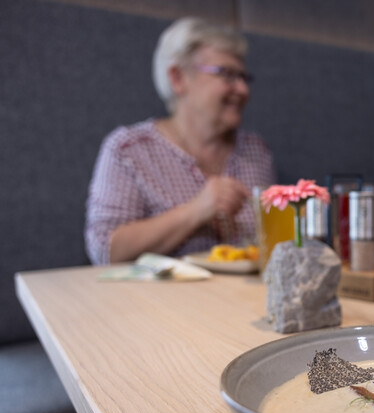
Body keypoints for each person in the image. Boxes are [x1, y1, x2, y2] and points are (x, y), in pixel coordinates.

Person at [85, 17, 275, 265]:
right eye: (227, 74)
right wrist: (197, 210)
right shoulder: (129, 150)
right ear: (178, 78)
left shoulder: (255, 151)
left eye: (243, 77)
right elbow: (105, 251)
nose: (242, 89)